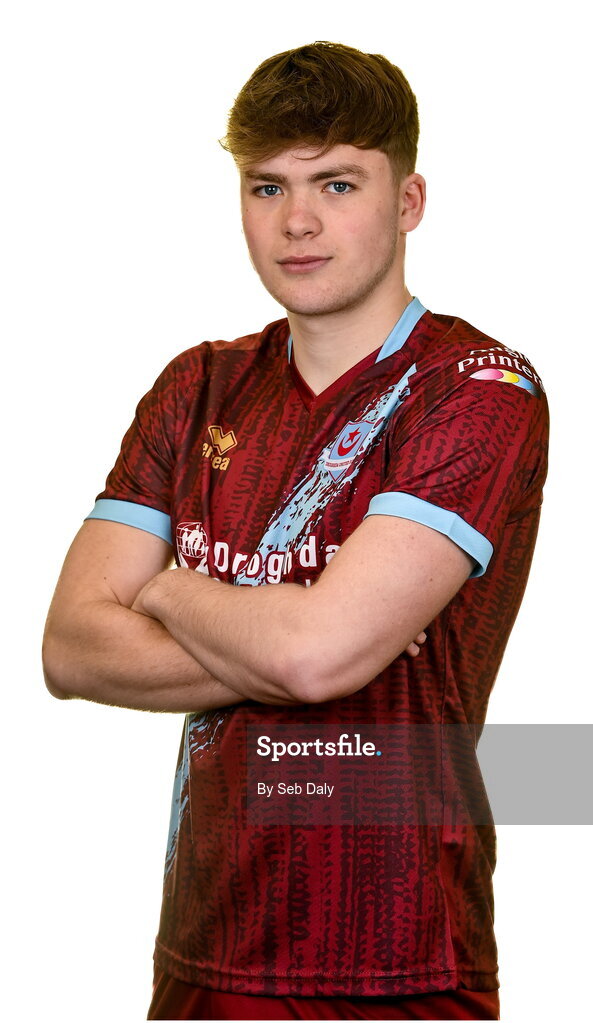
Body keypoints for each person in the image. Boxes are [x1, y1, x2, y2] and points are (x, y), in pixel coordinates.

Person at [42, 41, 548, 1021]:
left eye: (337, 182)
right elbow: (69, 647)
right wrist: (308, 631)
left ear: (407, 200)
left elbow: (318, 660)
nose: (297, 222)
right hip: (205, 949)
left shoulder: (478, 387)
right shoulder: (197, 387)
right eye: (265, 187)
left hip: (397, 958)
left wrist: (165, 589)